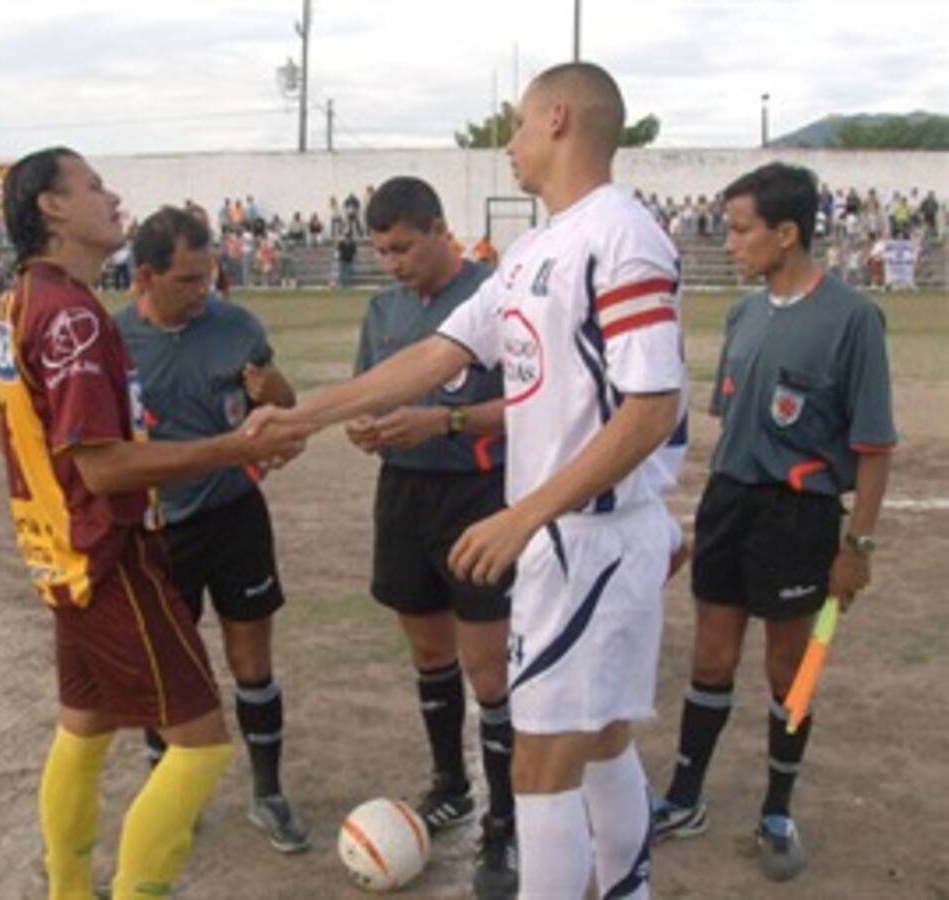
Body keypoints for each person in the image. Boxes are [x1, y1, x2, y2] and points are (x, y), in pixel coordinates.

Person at [247, 62, 687, 899]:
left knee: (544, 759)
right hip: (569, 539)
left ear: (558, 119)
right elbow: (432, 357)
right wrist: (308, 416)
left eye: (517, 127)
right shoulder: (529, 252)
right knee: (596, 744)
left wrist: (525, 516)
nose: (510, 145)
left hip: (586, 539)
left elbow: (651, 407)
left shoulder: (621, 234)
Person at [0, 148, 310, 900]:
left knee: (86, 721)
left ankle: (68, 889)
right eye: (93, 185)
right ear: (52, 208)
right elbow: (100, 468)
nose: (111, 197)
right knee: (198, 745)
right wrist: (236, 447)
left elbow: (15, 436)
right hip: (107, 553)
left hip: (60, 555)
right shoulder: (71, 317)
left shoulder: (21, 301)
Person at [651, 163, 895, 882]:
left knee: (790, 672)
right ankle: (686, 797)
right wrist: (701, 533)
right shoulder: (744, 314)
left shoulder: (852, 319)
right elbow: (737, 436)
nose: (728, 242)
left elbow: (873, 449)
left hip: (800, 516)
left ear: (786, 234)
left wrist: (859, 546)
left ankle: (776, 809)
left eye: (739, 229)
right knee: (710, 660)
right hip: (730, 503)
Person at [113, 205, 310, 854]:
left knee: (251, 659)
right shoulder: (114, 344)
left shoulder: (236, 326)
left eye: (210, 276)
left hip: (234, 518)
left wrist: (273, 390)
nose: (205, 292)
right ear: (145, 276)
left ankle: (268, 794)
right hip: (158, 527)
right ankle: (171, 801)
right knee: (167, 669)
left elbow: (280, 412)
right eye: (189, 280)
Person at [352, 176, 516, 899]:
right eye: (381, 251)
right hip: (405, 496)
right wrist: (366, 427)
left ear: (440, 230)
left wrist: (444, 422)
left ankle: (505, 822)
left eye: (402, 248)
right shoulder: (383, 311)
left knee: (489, 668)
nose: (392, 264)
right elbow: (370, 391)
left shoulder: (498, 296)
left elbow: (533, 404)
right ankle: (449, 782)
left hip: (480, 497)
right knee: (428, 653)